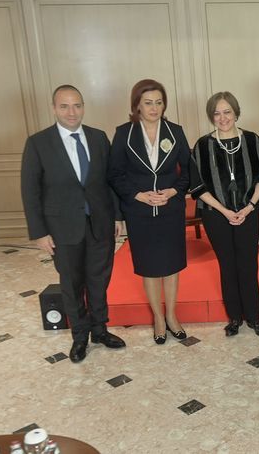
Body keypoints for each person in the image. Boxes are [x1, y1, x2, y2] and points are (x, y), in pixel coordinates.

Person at [21, 85, 126, 363]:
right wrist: (39, 232)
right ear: (54, 108)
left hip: (100, 223)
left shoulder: (98, 137)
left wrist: (117, 215)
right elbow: (30, 191)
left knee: (99, 280)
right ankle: (80, 336)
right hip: (62, 228)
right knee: (72, 282)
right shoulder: (38, 143)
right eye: (65, 106)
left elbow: (110, 181)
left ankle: (100, 330)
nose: (72, 112)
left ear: (83, 107)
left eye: (77, 105)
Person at [108, 79, 191, 344]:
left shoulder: (175, 132)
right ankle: (158, 318)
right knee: (149, 267)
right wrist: (138, 195)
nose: (154, 108)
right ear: (137, 106)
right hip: (139, 212)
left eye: (158, 102)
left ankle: (172, 315)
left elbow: (189, 170)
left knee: (172, 266)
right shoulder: (124, 133)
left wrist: (173, 191)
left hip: (170, 210)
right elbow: (115, 173)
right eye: (148, 103)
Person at [190, 92, 259, 337]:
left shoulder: (252, 140)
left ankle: (254, 317)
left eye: (227, 112)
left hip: (248, 212)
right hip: (215, 215)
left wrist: (249, 207)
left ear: (236, 113)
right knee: (227, 265)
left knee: (248, 264)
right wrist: (224, 211)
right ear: (211, 116)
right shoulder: (202, 145)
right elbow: (198, 186)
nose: (222, 118)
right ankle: (234, 317)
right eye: (217, 113)